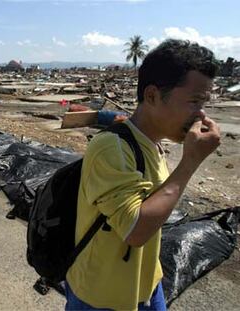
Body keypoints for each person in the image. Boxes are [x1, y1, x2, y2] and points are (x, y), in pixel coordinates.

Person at [65, 39, 221, 311]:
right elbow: (135, 231)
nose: (201, 113)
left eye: (204, 102)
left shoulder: (152, 141)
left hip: (147, 286)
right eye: (194, 101)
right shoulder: (110, 148)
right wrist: (191, 161)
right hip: (102, 297)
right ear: (152, 96)